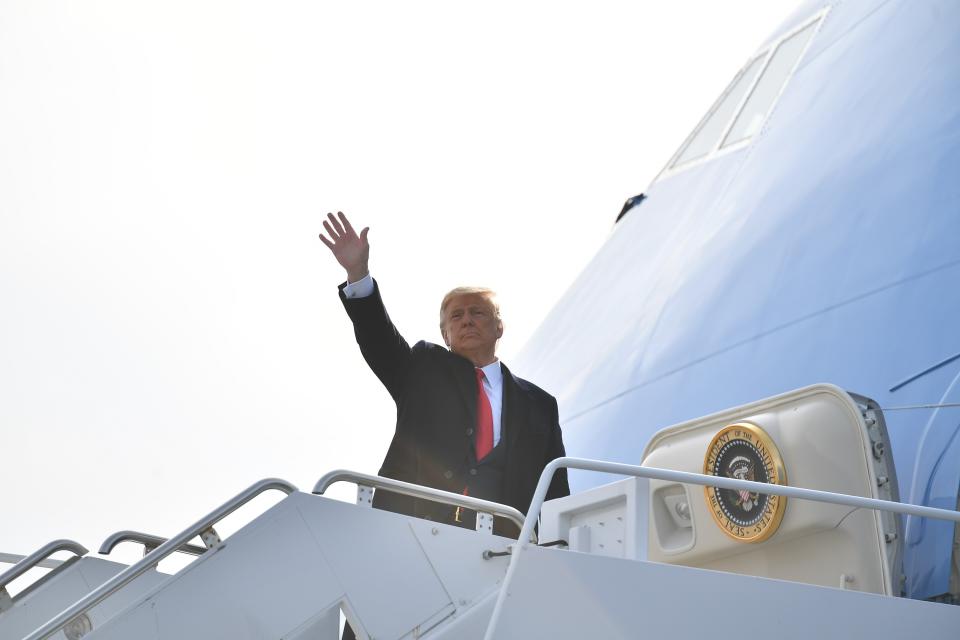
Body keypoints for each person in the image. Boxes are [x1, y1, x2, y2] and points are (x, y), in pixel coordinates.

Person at [318, 211, 570, 534]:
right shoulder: (424, 368)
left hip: (505, 551)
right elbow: (380, 341)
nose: (466, 320)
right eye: (456, 316)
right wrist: (358, 274)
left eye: (478, 312)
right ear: (445, 334)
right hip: (413, 534)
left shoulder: (540, 406)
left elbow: (555, 491)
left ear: (499, 326)